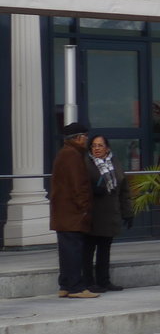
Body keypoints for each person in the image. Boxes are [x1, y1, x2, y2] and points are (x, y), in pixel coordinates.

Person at [49, 122, 98, 298]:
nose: (86, 140)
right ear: (78, 138)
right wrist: (85, 208)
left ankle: (65, 285)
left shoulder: (64, 153)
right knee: (75, 251)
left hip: (63, 213)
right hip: (73, 214)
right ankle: (76, 287)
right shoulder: (73, 156)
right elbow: (79, 186)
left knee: (66, 251)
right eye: (85, 136)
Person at [84, 134, 134, 292]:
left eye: (100, 145)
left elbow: (123, 190)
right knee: (88, 250)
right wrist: (92, 191)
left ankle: (104, 281)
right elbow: (79, 187)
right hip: (92, 214)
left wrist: (127, 212)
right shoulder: (86, 163)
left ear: (107, 148)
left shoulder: (115, 163)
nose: (97, 148)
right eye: (94, 146)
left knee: (104, 250)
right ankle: (88, 282)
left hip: (110, 214)